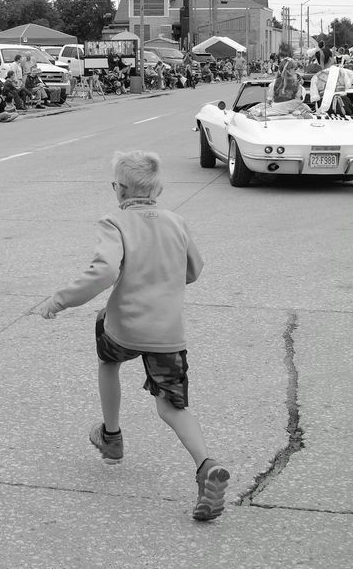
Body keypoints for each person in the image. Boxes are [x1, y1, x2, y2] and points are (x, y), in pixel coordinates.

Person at [34, 150, 228, 522]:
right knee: (173, 407)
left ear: (118, 189)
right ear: (158, 188)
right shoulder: (176, 221)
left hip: (123, 329)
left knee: (108, 359)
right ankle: (206, 465)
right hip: (168, 333)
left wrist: (59, 301)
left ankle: (112, 436)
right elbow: (194, 270)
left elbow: (105, 272)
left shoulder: (115, 221)